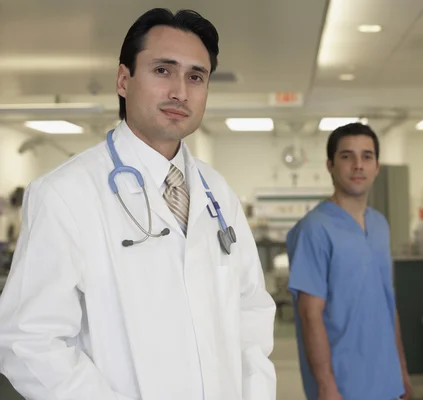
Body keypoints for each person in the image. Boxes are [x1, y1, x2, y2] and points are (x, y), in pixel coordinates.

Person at [0, 8, 276, 400]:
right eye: (163, 70)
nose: (181, 90)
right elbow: (28, 341)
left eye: (196, 76)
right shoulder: (66, 193)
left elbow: (250, 312)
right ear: (123, 79)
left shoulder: (216, 192)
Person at [286, 123, 411, 400]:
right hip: (343, 383)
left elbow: (388, 304)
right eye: (347, 156)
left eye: (367, 156)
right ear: (330, 165)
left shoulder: (379, 225)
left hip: (387, 378)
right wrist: (325, 385)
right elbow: (310, 314)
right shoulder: (315, 229)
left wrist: (401, 368)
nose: (358, 165)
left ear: (377, 166)